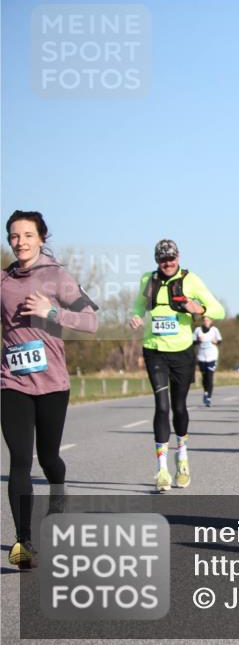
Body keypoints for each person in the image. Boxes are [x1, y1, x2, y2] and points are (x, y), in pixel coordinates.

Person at [2, 211, 98, 568]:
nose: (20, 242)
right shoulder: (3, 281)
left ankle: (58, 491)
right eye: (14, 236)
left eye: (27, 235)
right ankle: (23, 542)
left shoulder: (58, 276)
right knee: (20, 462)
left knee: (49, 459)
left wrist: (52, 312)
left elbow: (91, 321)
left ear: (41, 238)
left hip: (54, 384)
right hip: (12, 382)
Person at [130, 239, 224, 493]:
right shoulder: (147, 280)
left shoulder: (191, 280)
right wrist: (136, 316)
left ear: (178, 257)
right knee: (161, 406)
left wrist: (199, 308)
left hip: (182, 353)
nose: (168, 264)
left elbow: (219, 310)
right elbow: (139, 304)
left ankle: (182, 458)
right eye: (163, 260)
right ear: (156, 261)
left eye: (171, 259)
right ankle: (162, 469)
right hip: (154, 350)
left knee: (179, 407)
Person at [193, 315, 222, 407]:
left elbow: (220, 341)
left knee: (210, 376)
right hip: (202, 356)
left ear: (211, 321)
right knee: (204, 376)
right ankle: (205, 391)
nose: (206, 322)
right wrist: (198, 341)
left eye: (208, 320)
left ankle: (208, 397)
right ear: (202, 321)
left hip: (212, 356)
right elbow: (192, 342)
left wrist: (216, 341)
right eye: (204, 320)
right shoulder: (198, 330)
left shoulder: (214, 330)